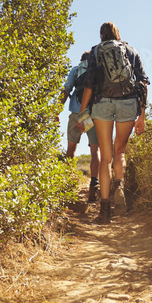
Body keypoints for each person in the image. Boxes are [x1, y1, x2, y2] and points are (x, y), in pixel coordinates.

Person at [78, 22, 149, 225]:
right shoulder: (130, 50)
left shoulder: (95, 51)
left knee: (105, 158)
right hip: (127, 103)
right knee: (120, 152)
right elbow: (143, 82)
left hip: (102, 105)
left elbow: (89, 84)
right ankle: (119, 186)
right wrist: (142, 116)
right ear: (118, 34)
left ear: (101, 35)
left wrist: (82, 114)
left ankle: (104, 212)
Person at [60, 51, 100, 202]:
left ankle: (67, 184)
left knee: (71, 149)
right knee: (95, 150)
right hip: (93, 114)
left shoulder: (76, 70)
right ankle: (94, 185)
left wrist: (56, 111)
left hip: (77, 113)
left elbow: (67, 88)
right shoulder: (98, 70)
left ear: (81, 59)